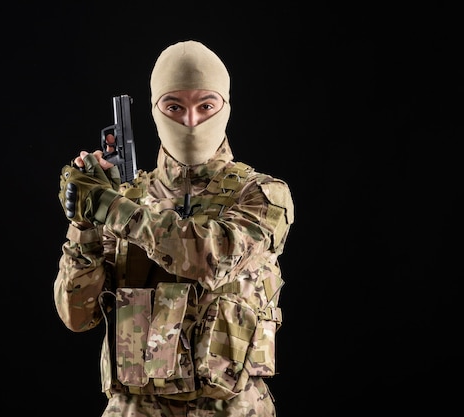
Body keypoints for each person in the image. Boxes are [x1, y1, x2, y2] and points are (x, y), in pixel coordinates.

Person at [54, 40, 295, 417]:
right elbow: (77, 316)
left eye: (206, 106)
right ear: (155, 111)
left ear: (225, 107)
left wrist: (110, 208)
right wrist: (83, 223)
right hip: (133, 407)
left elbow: (210, 256)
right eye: (174, 106)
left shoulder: (262, 195)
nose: (191, 120)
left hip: (230, 407)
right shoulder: (124, 196)